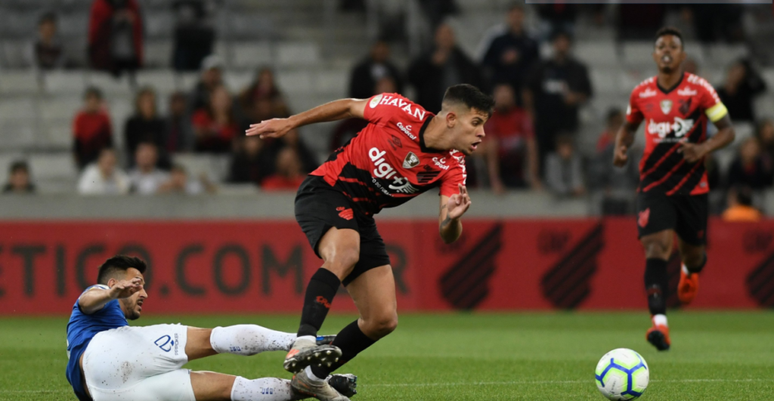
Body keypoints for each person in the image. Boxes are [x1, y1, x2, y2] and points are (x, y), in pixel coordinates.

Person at [246, 84, 493, 400]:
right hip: (326, 189)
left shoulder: (452, 167)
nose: (483, 133)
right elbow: (349, 106)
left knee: (382, 319)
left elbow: (447, 234)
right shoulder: (400, 110)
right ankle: (304, 340)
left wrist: (454, 218)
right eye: (476, 123)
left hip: (360, 215)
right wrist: (292, 122)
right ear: (451, 119)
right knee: (345, 252)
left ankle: (312, 378)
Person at [66, 255, 356, 401]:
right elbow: (88, 299)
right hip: (105, 355)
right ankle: (304, 341)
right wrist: (111, 293)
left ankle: (316, 386)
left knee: (230, 390)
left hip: (104, 394)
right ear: (115, 283)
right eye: (137, 284)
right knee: (212, 338)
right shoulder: (100, 295)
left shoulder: (89, 328)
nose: (143, 293)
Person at [613, 27, 736, 352]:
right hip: (654, 181)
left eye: (673, 45)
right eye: (660, 45)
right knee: (655, 247)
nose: (666, 49)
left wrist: (704, 148)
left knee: (694, 255)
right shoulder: (641, 93)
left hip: (692, 185)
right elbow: (628, 127)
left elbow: (729, 131)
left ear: (682, 55)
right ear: (654, 55)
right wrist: (620, 147)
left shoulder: (700, 90)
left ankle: (689, 270)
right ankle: (660, 325)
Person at [523, 30, 592, 170]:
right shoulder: (541, 66)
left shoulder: (578, 68)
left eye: (565, 41)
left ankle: (565, 179)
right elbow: (528, 89)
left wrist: (576, 97)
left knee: (565, 150)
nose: (562, 45)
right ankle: (541, 177)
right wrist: (529, 111)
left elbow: (587, 93)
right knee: (542, 149)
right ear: (553, 44)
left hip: (567, 118)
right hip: (544, 118)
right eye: (558, 41)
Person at [407, 23, 483, 113]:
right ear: (436, 37)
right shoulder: (426, 57)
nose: (445, 38)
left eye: (448, 34)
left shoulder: (462, 60)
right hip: (432, 111)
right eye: (442, 35)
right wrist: (430, 64)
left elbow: (476, 79)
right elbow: (411, 77)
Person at [480, 83, 539, 192]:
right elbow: (488, 141)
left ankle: (532, 177)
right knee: (491, 144)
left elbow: (530, 138)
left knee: (531, 143)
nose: (504, 100)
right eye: (501, 97)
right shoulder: (490, 117)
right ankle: (495, 181)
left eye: (506, 97)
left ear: (512, 98)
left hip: (516, 154)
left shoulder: (521, 115)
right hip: (497, 156)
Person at [480, 4, 539, 101]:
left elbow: (537, 65)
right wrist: (501, 59)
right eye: (513, 16)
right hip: (501, 86)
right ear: (508, 17)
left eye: (518, 16)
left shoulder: (531, 41)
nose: (516, 20)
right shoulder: (497, 40)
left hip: (523, 87)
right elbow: (485, 63)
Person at [88, 0, 144, 78]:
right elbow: (96, 32)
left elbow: (138, 29)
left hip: (128, 55)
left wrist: (130, 19)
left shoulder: (131, 4)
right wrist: (112, 20)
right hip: (107, 57)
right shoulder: (100, 5)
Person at [124, 87, 168, 167]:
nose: (148, 104)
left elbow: (163, 142)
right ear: (139, 103)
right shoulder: (132, 123)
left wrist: (152, 151)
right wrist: (142, 151)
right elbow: (130, 144)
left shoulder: (160, 122)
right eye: (145, 101)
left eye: (150, 101)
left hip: (156, 156)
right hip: (137, 156)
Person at [73, 87, 113, 170]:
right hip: (85, 155)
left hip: (101, 156)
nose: (92, 103)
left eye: (95, 101)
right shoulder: (80, 118)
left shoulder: (104, 118)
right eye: (90, 100)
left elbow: (108, 140)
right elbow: (78, 140)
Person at [192, 84, 240, 153]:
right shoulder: (201, 115)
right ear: (211, 100)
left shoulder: (235, 120)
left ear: (230, 102)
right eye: (219, 99)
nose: (221, 102)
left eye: (224, 99)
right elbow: (196, 134)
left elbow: (235, 141)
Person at [716, 59, 767, 123]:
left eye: (740, 73)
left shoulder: (746, 90)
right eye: (735, 71)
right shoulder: (719, 92)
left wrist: (751, 70)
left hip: (746, 125)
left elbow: (762, 86)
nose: (736, 75)